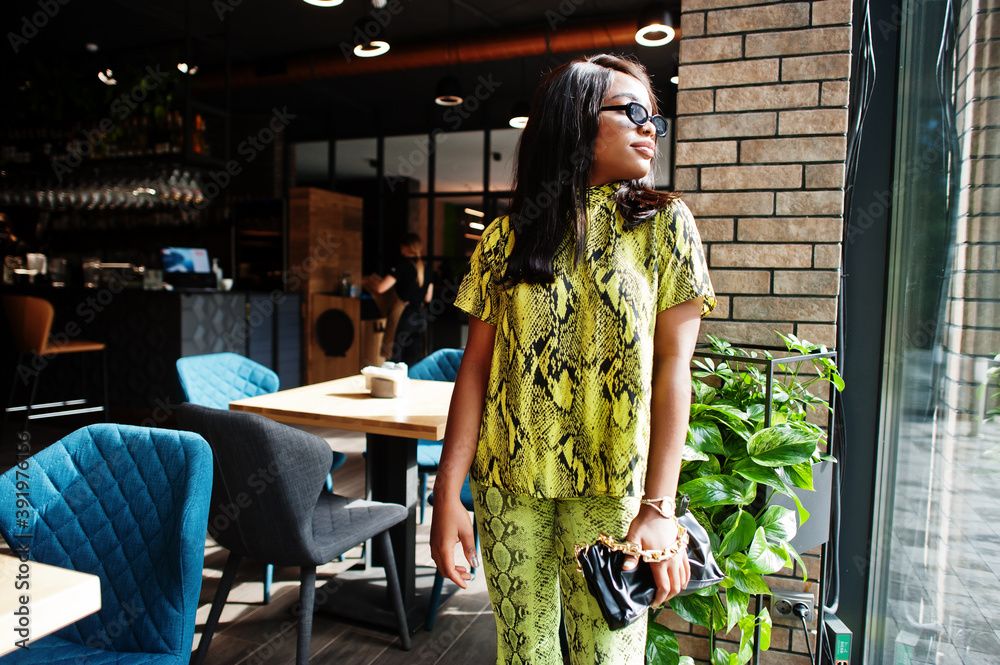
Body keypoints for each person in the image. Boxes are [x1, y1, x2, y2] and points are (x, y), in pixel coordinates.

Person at [429, 54, 716, 665]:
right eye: (633, 112)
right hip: (510, 482)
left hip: (614, 490)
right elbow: (474, 371)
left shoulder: (665, 225)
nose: (650, 129)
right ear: (577, 119)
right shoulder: (508, 238)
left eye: (655, 119)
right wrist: (446, 495)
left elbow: (674, 369)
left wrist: (659, 507)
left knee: (609, 656)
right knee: (524, 654)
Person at [364, 233, 434, 367]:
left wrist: (367, 281)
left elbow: (380, 288)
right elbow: (428, 298)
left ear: (406, 248)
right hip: (420, 318)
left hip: (404, 318)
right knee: (412, 363)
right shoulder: (427, 269)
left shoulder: (402, 266)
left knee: (393, 362)